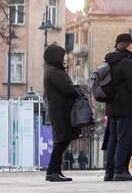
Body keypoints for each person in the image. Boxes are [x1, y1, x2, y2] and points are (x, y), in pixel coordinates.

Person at [104, 33, 132, 181]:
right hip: (126, 107)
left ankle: (109, 172)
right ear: (129, 45)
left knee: (113, 139)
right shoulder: (126, 62)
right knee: (124, 140)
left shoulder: (111, 60)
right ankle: (120, 170)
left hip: (113, 106)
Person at [43, 44, 81, 182]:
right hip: (61, 111)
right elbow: (68, 89)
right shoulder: (55, 72)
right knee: (61, 140)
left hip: (59, 110)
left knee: (62, 140)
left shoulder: (51, 70)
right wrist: (77, 90)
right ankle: (52, 171)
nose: (63, 59)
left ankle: (56, 171)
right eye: (61, 57)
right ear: (55, 57)